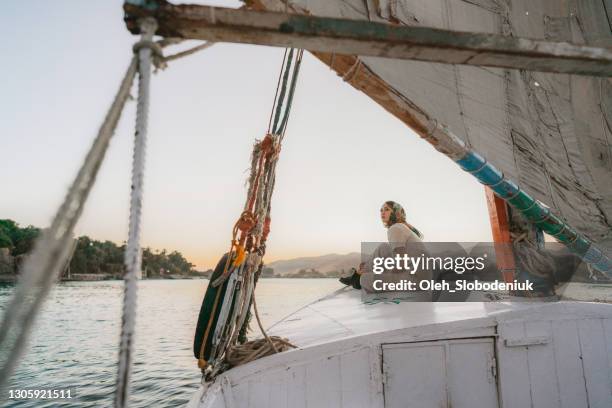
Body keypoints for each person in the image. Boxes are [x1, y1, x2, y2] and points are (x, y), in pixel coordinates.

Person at [340, 201, 428, 291]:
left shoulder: (395, 228)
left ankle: (358, 277)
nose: (382, 212)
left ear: (396, 213)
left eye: (386, 210)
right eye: (381, 210)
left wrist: (383, 274)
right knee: (384, 248)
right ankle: (359, 273)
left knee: (365, 279)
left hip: (416, 280)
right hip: (421, 277)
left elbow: (401, 264)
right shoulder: (402, 228)